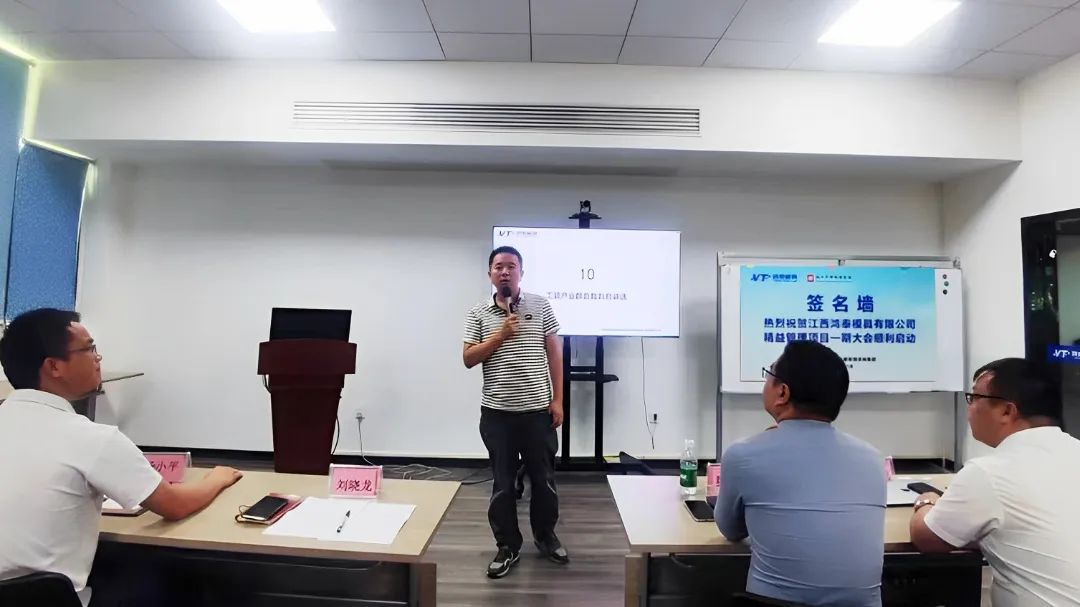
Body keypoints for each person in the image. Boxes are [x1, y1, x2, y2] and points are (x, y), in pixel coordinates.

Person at [0, 308, 243, 606]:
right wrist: (217, 478)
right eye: (89, 349)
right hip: (49, 600)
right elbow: (174, 505)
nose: (98, 358)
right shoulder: (90, 437)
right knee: (184, 578)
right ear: (54, 366)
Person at [715, 340, 886, 607]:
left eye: (769, 374)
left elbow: (730, 529)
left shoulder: (743, 455)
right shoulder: (873, 458)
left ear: (783, 392)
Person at [910, 358, 1080, 606]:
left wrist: (926, 501)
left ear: (1006, 411)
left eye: (974, 398)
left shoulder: (989, 472)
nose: (969, 409)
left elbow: (927, 538)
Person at [463, 246, 567, 578]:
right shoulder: (478, 312)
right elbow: (468, 358)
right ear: (490, 274)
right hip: (498, 415)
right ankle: (507, 546)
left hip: (537, 412)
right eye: (499, 267)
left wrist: (558, 400)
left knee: (544, 481)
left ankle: (546, 536)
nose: (505, 271)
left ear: (521, 272)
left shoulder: (541, 305)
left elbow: (555, 354)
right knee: (503, 485)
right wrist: (500, 335)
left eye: (511, 266)